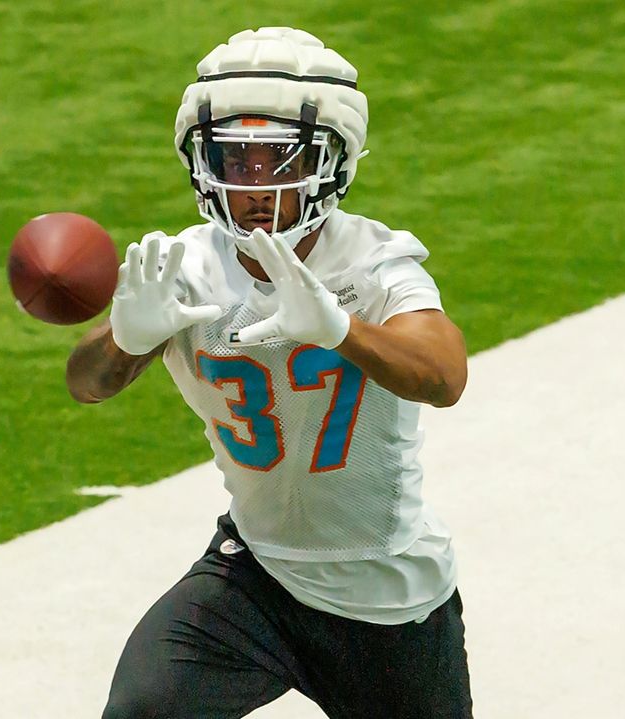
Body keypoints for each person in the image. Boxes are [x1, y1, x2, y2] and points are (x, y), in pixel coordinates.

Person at [67, 26, 472, 719]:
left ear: (334, 163)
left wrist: (344, 330)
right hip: (256, 572)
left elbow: (444, 374)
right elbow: (87, 382)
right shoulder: (190, 265)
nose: (252, 183)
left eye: (279, 160)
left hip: (386, 591)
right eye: (233, 157)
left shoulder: (373, 264)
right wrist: (125, 339)